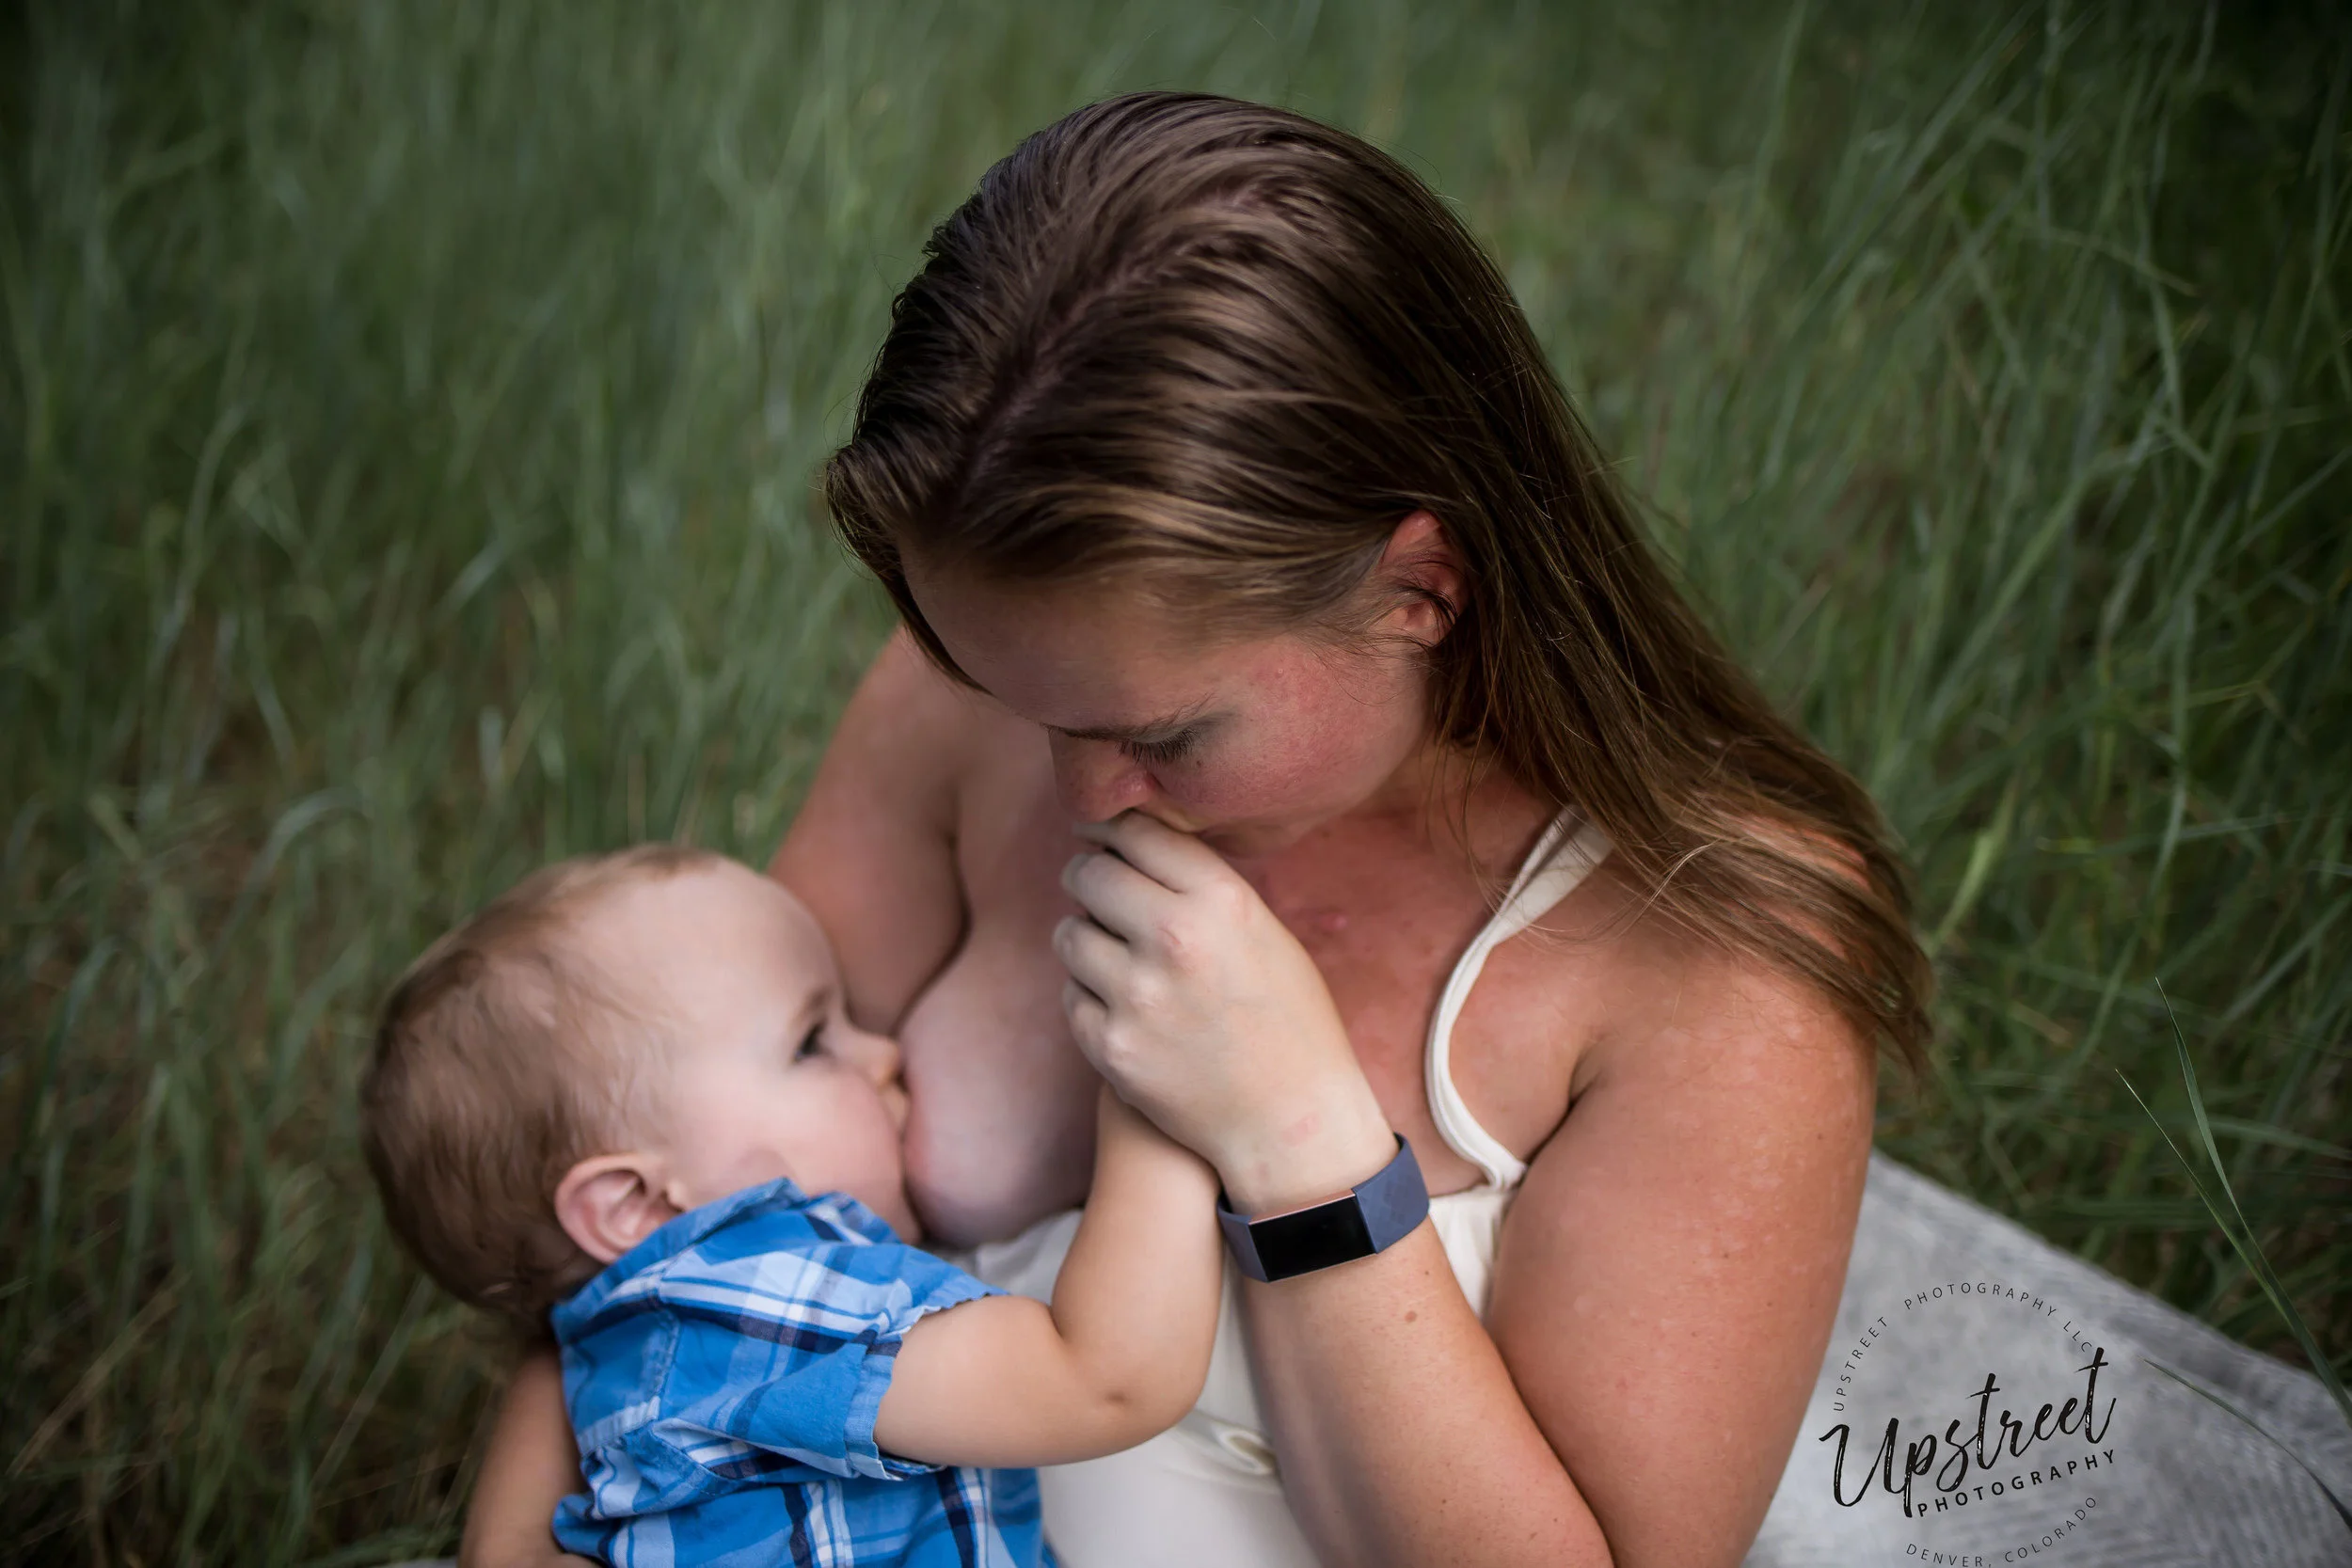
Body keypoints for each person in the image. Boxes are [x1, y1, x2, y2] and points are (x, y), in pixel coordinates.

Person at [460, 91, 1931, 1568]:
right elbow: (650, 1212)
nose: (1085, 794)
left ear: (1423, 586)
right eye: (1016, 696)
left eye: (1164, 735)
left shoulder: (1719, 954)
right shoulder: (1004, 677)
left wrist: (1296, 1137)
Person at [362, 845, 1223, 1566]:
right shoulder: (751, 1301)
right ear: (633, 1200)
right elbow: (1104, 1379)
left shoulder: (645, 1352)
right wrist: (1159, 1095)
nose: (883, 1051)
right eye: (813, 1041)